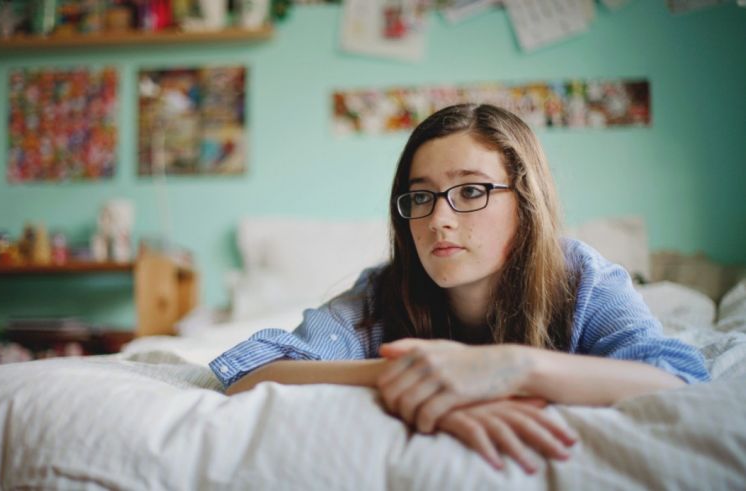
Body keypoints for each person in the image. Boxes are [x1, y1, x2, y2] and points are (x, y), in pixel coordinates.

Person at [209, 103, 709, 474]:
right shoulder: (383, 291)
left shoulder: (581, 278)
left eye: (470, 190)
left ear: (525, 201)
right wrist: (410, 376)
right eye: (421, 196)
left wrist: (511, 367)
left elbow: (675, 377)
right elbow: (249, 371)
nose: (438, 219)